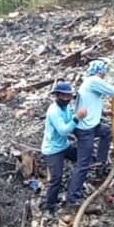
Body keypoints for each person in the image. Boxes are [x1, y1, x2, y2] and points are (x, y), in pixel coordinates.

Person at [67, 59, 114, 207]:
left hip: (91, 125)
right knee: (83, 163)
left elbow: (90, 102)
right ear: (101, 71)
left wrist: (104, 112)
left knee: (106, 132)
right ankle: (73, 198)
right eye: (104, 72)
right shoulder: (94, 80)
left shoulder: (89, 82)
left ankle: (100, 162)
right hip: (85, 130)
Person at [40, 81, 86, 214]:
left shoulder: (66, 108)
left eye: (69, 96)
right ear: (57, 96)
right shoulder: (54, 111)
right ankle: (50, 205)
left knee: (83, 158)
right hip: (52, 150)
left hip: (64, 145)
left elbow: (70, 118)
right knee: (56, 178)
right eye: (64, 96)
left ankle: (77, 187)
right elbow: (63, 130)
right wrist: (77, 118)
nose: (66, 99)